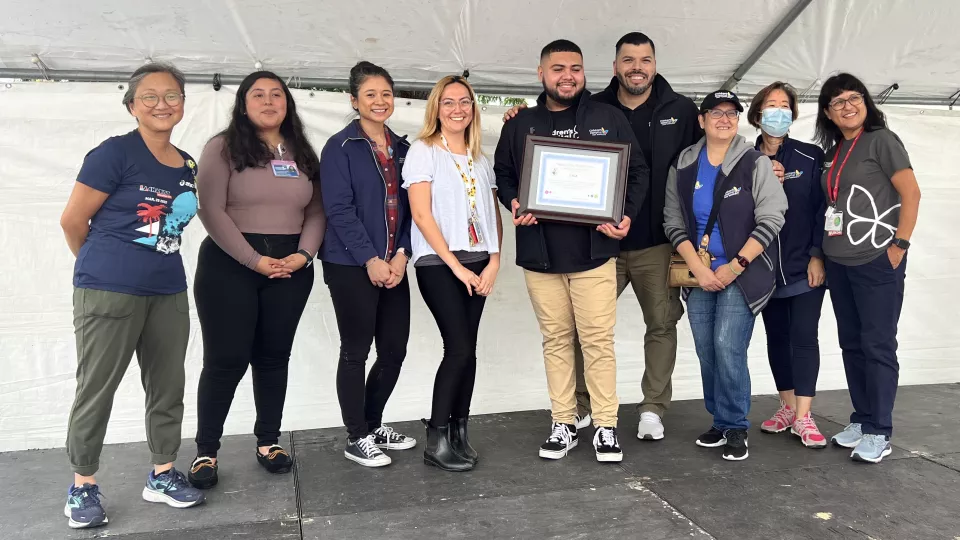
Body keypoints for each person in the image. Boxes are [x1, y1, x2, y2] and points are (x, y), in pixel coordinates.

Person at [504, 32, 701, 440]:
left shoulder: (681, 110)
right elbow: (509, 170)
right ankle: (576, 408)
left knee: (661, 325)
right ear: (614, 66)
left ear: (655, 64)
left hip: (655, 241)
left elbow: (705, 158)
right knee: (576, 331)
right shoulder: (591, 108)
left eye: (645, 59)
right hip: (596, 250)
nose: (637, 67)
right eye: (628, 60)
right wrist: (516, 199)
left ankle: (652, 409)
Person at [58, 62, 205, 529]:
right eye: (150, 97)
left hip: (168, 290)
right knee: (97, 389)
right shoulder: (112, 154)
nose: (162, 104)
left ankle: (162, 474)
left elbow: (173, 228)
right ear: (132, 105)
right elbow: (72, 222)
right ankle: (82, 485)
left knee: (168, 386)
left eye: (172, 96)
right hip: (109, 291)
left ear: (183, 103)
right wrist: (101, 267)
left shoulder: (187, 164)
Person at [494, 39, 649, 463]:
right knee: (556, 341)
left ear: (585, 73)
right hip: (540, 257)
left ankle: (605, 426)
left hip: (595, 254)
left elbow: (636, 172)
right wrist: (512, 202)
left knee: (598, 342)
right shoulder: (519, 124)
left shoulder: (608, 117)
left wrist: (627, 216)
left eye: (576, 68)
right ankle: (563, 422)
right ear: (541, 73)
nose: (568, 76)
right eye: (558, 68)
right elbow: (504, 174)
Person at [188, 71, 325, 489]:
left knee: (272, 357)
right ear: (243, 103)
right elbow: (210, 209)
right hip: (231, 264)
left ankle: (269, 441)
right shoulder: (222, 147)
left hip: (291, 268)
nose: (269, 102)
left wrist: (303, 255)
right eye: (258, 95)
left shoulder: (301, 152)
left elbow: (317, 211)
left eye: (277, 94)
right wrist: (253, 260)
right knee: (225, 359)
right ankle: (206, 451)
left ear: (288, 103)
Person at [663, 90, 787, 461]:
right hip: (700, 272)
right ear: (701, 120)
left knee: (727, 346)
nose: (724, 119)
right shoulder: (683, 164)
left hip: (742, 272)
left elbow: (773, 217)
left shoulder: (755, 162)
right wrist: (700, 270)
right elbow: (673, 221)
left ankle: (735, 426)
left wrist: (735, 267)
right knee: (706, 349)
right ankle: (719, 419)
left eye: (732, 113)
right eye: (715, 112)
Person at [814, 73, 921, 464]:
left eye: (854, 97)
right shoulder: (836, 150)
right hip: (840, 262)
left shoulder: (882, 141)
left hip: (877, 260)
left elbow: (911, 192)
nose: (847, 106)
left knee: (878, 345)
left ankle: (880, 429)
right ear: (828, 112)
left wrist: (900, 245)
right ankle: (861, 418)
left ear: (866, 102)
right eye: (837, 101)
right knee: (852, 343)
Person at [319, 61, 416, 468]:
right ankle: (355, 435)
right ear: (354, 100)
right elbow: (338, 210)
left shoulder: (405, 149)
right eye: (371, 94)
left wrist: (401, 254)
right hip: (350, 264)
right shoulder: (340, 147)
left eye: (386, 94)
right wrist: (370, 259)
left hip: (394, 263)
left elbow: (415, 209)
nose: (380, 101)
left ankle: (373, 424)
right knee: (356, 351)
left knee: (394, 349)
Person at [403, 75, 502, 472]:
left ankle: (460, 432)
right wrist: (456, 266)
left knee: (469, 352)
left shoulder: (480, 157)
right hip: (439, 263)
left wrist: (494, 260)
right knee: (457, 348)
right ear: (436, 108)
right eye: (449, 102)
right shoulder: (423, 150)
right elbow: (422, 214)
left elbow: (492, 214)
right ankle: (437, 438)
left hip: (479, 261)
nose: (458, 109)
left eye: (465, 102)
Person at [746, 82, 829, 448]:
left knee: (804, 338)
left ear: (792, 114)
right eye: (771, 105)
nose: (778, 112)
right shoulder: (743, 159)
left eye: (784, 106)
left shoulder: (811, 156)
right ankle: (786, 406)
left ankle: (804, 416)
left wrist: (817, 253)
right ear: (758, 113)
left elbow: (824, 210)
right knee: (776, 338)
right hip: (764, 269)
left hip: (803, 266)